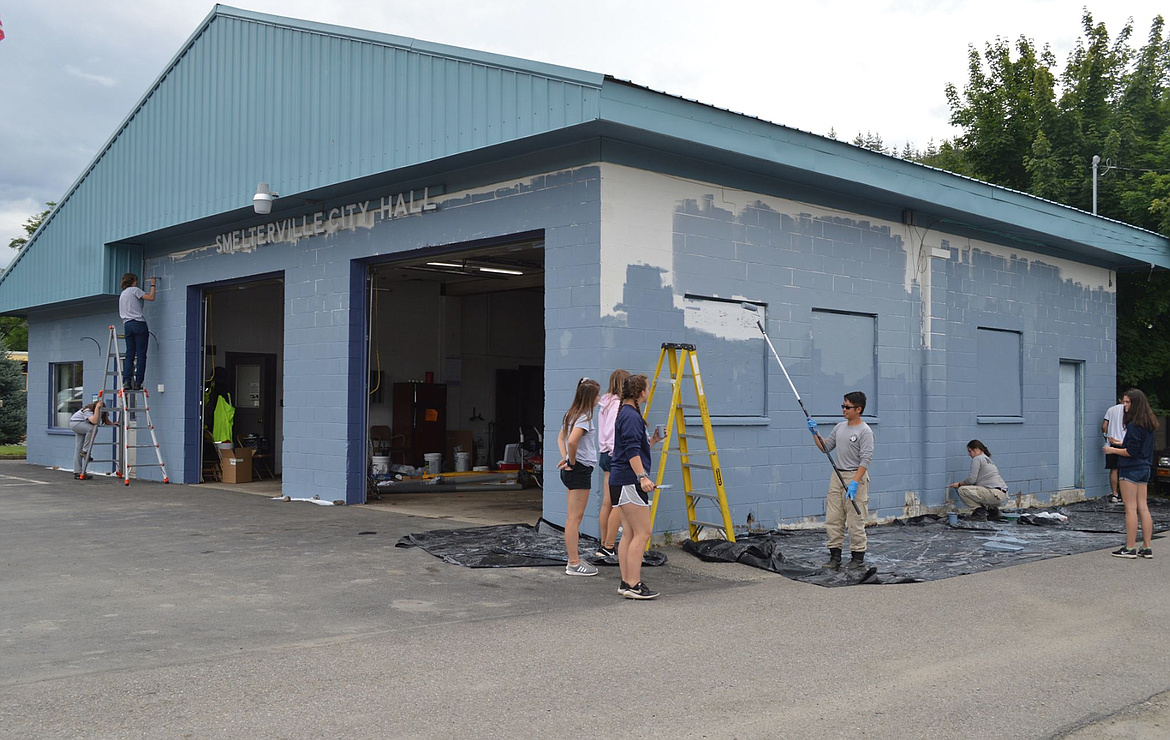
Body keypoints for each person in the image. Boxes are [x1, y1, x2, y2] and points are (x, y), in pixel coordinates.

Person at [609, 374, 664, 599]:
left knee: (630, 533)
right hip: (628, 481)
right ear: (641, 393)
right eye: (648, 388)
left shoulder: (627, 413)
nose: (649, 391)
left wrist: (652, 441)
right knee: (643, 532)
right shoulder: (631, 416)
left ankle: (626, 582)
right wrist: (642, 477)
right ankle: (633, 584)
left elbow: (633, 447)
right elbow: (631, 451)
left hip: (621, 480)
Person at [810, 391, 874, 571]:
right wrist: (815, 433)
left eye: (848, 407)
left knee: (855, 520)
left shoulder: (865, 431)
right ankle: (835, 557)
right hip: (837, 477)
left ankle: (857, 557)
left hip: (855, 478)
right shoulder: (839, 427)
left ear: (858, 409)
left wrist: (854, 482)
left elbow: (866, 460)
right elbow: (826, 447)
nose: (844, 409)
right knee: (833, 517)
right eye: (843, 406)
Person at [1103, 388, 1158, 559]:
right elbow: (1137, 447)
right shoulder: (1149, 423)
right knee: (1143, 507)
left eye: (1127, 402)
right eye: (1124, 401)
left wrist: (1112, 449)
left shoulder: (1134, 425)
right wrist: (1121, 443)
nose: (1124, 405)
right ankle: (1147, 547)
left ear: (1135, 404)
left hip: (1130, 470)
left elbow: (1131, 452)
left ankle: (1129, 548)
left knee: (1130, 509)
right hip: (1144, 469)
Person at [557, 377, 601, 576]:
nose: (599, 398)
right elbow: (572, 441)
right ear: (590, 397)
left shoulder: (571, 414)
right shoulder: (584, 417)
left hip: (573, 470)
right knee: (575, 518)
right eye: (597, 395)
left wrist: (565, 458)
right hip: (579, 470)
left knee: (572, 517)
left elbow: (561, 437)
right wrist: (571, 461)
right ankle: (573, 563)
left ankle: (573, 559)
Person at [595, 368, 630, 560]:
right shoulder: (617, 405)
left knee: (608, 502)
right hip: (613, 454)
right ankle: (608, 545)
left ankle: (604, 543)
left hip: (604, 455)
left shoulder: (605, 403)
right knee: (618, 503)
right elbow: (611, 433)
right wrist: (614, 451)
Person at [948, 440, 1009, 520]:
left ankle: (979, 514)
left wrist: (959, 484)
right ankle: (993, 512)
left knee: (963, 490)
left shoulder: (977, 459)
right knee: (978, 491)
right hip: (1002, 494)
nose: (969, 455)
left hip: (993, 493)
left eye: (970, 451)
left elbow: (971, 480)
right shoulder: (987, 459)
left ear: (976, 449)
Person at [119, 273, 156, 391]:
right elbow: (151, 297)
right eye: (136, 280)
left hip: (127, 325)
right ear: (133, 281)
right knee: (141, 355)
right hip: (138, 323)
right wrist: (153, 285)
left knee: (130, 354)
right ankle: (138, 382)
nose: (137, 282)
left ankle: (126, 381)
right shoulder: (134, 290)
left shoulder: (123, 294)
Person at [70, 400, 108, 480]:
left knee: (78, 449)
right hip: (76, 423)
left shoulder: (100, 412)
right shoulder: (88, 410)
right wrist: (97, 408)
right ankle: (85, 450)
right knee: (92, 429)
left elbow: (106, 420)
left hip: (82, 424)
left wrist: (114, 423)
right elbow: (94, 421)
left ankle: (78, 472)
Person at [1102, 397, 1126, 504]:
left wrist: (1106, 437)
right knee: (1126, 470)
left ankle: (1114, 494)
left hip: (1111, 444)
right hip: (1124, 443)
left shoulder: (1110, 410)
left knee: (1114, 470)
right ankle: (1126, 495)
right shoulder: (1129, 410)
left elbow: (1104, 426)